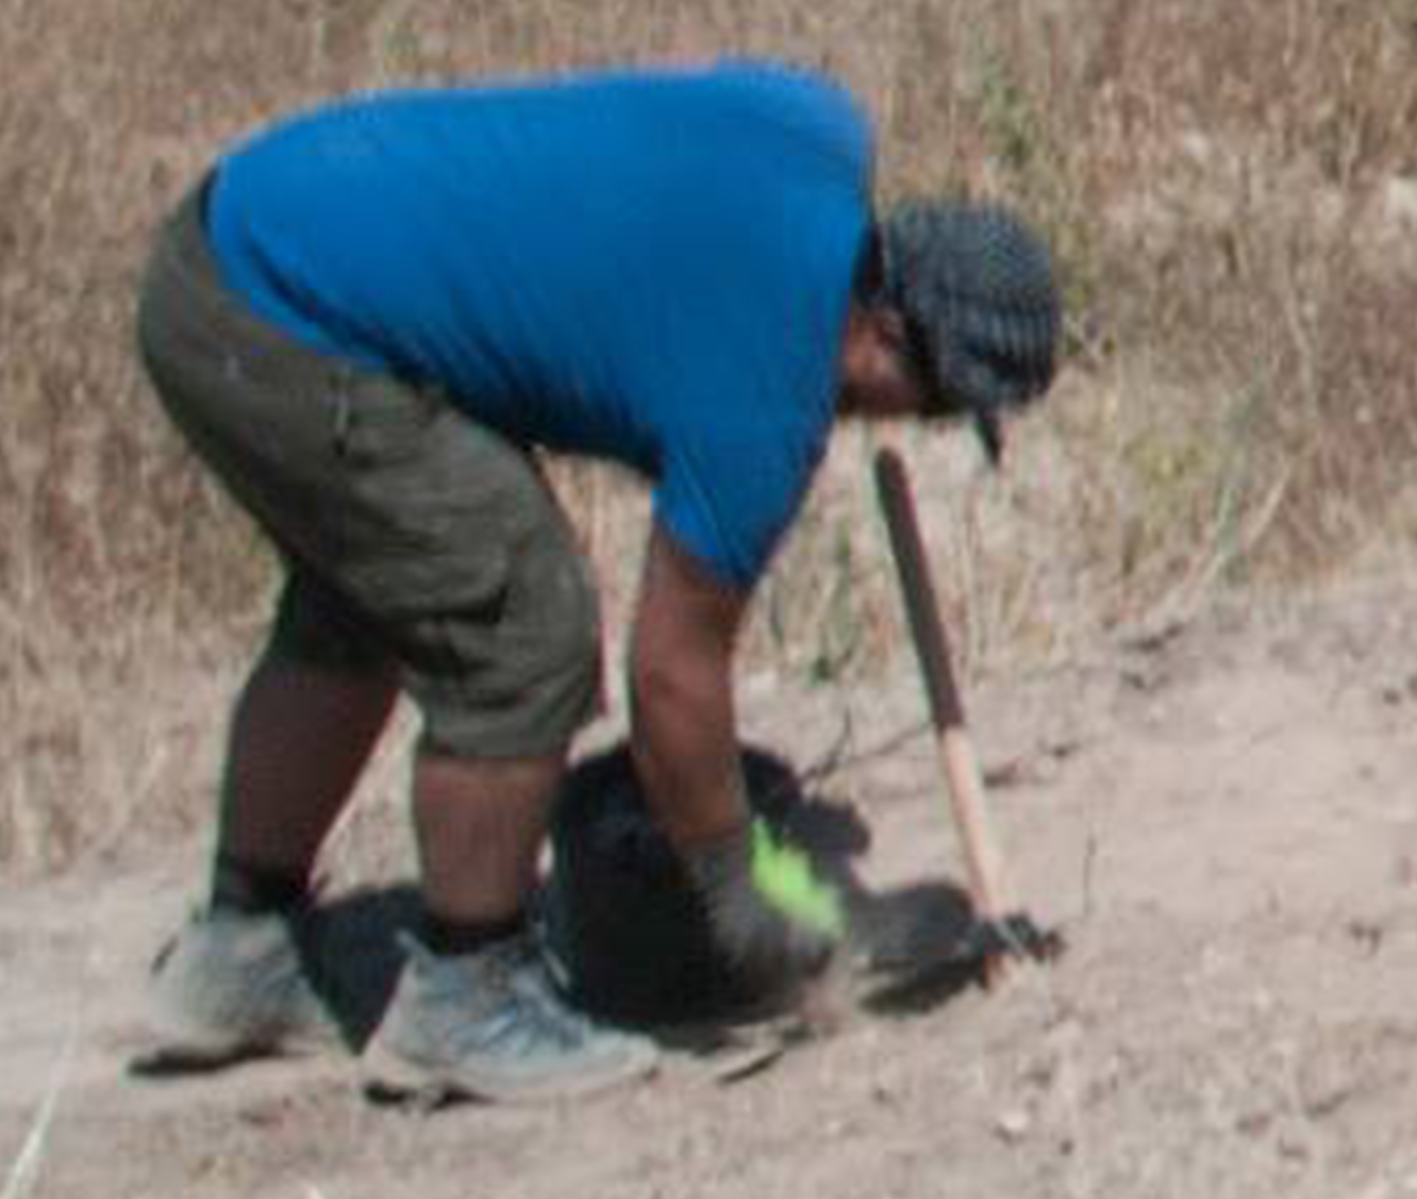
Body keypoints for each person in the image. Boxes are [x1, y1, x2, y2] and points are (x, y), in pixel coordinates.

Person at [125, 62, 1065, 1103]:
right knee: (518, 617)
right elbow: (671, 672)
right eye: (930, 403)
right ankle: (466, 995)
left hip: (246, 235)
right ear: (885, 337)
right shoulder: (766, 392)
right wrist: (734, 896)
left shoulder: (817, 128)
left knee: (383, 584)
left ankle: (238, 955)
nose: (901, 423)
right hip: (278, 315)